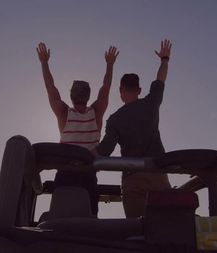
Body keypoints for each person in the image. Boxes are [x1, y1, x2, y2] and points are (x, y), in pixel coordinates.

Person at [36, 42, 119, 215]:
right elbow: (106, 88)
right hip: (88, 173)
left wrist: (44, 62)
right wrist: (110, 65)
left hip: (66, 173)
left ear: (71, 96)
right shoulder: (96, 112)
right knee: (88, 221)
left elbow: (50, 87)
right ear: (88, 96)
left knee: (59, 218)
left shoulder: (64, 114)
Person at [95, 39, 172, 218]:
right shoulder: (151, 104)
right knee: (166, 225)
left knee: (137, 229)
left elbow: (104, 150)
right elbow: (160, 79)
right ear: (139, 90)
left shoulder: (115, 119)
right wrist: (165, 59)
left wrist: (86, 154)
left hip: (132, 179)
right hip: (157, 174)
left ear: (121, 91)